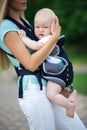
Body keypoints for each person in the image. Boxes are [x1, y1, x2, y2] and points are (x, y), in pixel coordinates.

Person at [0, 0, 86, 130]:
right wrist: (54, 37)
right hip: (34, 89)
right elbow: (30, 64)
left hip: (47, 90)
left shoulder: (26, 23)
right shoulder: (6, 27)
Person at [18, 8, 77, 118]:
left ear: (53, 28)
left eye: (45, 27)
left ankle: (69, 106)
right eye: (37, 27)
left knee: (51, 94)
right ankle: (69, 93)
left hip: (59, 72)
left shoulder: (49, 38)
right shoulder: (47, 37)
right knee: (56, 89)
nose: (41, 30)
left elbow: (36, 46)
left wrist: (23, 38)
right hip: (60, 70)